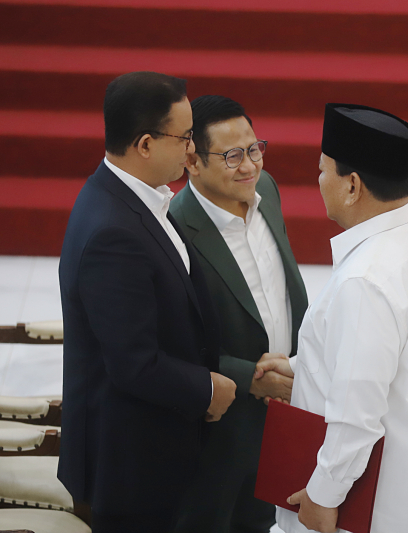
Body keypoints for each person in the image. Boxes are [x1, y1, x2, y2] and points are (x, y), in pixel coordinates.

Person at [271, 104, 408, 533]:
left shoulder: (367, 278)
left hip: (370, 503)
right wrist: (300, 367)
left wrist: (323, 495)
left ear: (353, 185)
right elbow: (394, 359)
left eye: (324, 171)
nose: (319, 181)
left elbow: (357, 412)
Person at [58, 72, 237, 533]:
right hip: (129, 462)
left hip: (154, 441)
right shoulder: (112, 233)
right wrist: (207, 391)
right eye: (185, 137)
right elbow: (132, 363)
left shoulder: (134, 197)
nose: (192, 150)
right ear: (144, 144)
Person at [169, 95, 308, 533]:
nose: (249, 166)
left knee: (268, 519)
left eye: (254, 149)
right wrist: (252, 376)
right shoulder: (174, 226)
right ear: (192, 160)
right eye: (231, 156)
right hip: (222, 420)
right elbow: (174, 341)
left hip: (285, 405)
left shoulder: (265, 190)